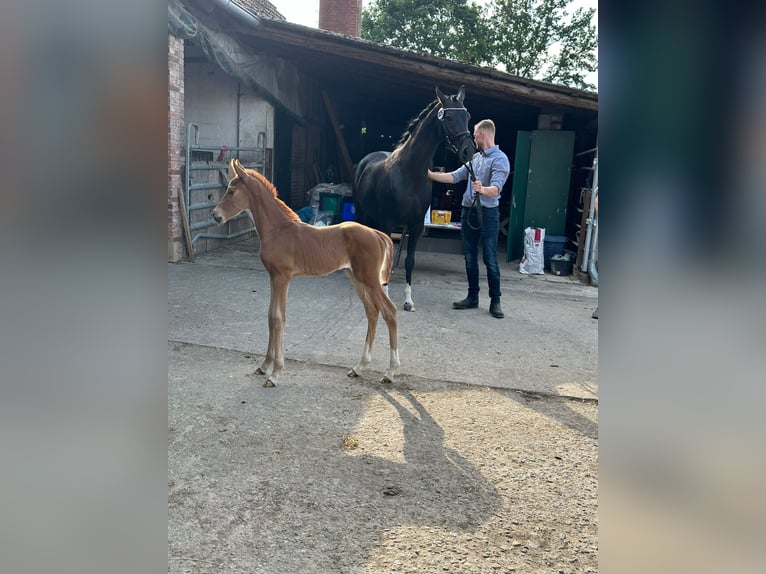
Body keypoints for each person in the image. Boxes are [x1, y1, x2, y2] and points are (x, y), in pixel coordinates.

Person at [427, 119, 511, 318]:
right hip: (468, 212)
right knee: (470, 258)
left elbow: (497, 189)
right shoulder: (476, 159)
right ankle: (472, 297)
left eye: (474, 134)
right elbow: (454, 177)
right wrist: (429, 174)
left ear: (483, 134)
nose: (473, 138)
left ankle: (495, 300)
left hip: (488, 214)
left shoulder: (500, 159)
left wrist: (483, 189)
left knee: (490, 258)